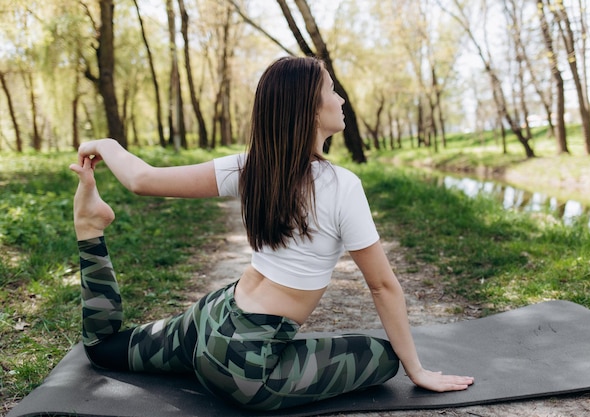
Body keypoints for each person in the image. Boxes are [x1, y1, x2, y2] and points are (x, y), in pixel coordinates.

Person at [69, 56, 473, 411]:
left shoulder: (248, 167)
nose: (342, 99)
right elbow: (383, 286)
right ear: (312, 110)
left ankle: (89, 231)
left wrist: (106, 144)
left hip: (208, 321)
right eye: (333, 90)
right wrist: (415, 368)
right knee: (384, 358)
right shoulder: (342, 185)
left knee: (103, 350)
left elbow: (142, 179)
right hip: (243, 370)